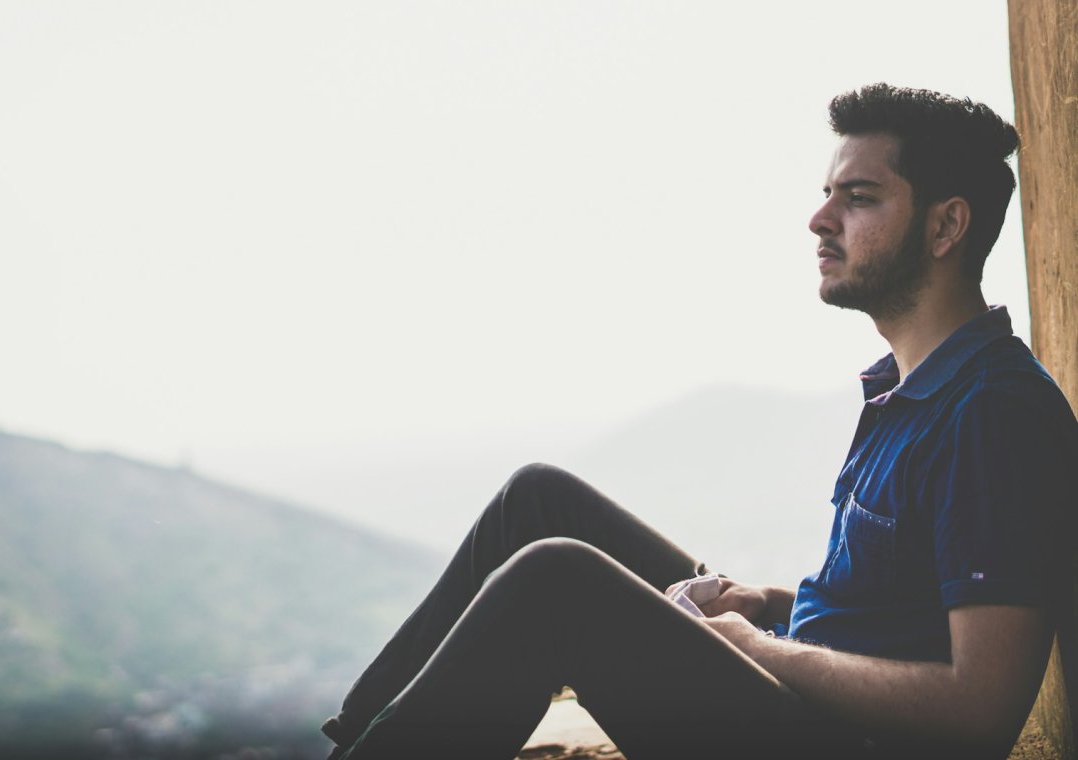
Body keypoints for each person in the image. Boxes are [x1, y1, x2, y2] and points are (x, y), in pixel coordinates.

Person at [321, 84, 1078, 759]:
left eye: (859, 197)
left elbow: (980, 710)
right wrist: (767, 605)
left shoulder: (992, 414)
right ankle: (356, 743)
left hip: (838, 741)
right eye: (827, 193)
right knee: (539, 498)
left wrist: (766, 653)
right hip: (808, 695)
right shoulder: (909, 389)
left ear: (946, 228)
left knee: (559, 580)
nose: (819, 219)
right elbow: (889, 610)